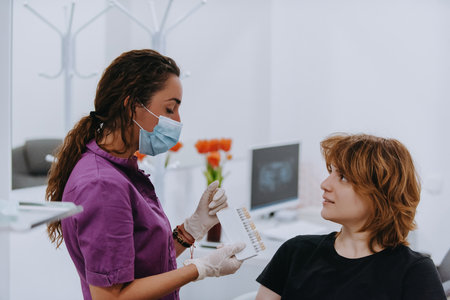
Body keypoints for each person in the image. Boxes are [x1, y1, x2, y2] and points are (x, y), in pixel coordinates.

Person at [46, 49, 245, 300]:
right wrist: (201, 269)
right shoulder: (102, 185)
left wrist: (193, 227)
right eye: (170, 109)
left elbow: (144, 262)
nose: (178, 120)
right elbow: (111, 297)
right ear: (132, 106)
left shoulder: (122, 169)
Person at [255, 133, 446, 300]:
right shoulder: (294, 252)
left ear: (380, 194)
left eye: (344, 177)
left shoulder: (415, 273)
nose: (325, 184)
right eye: (331, 172)